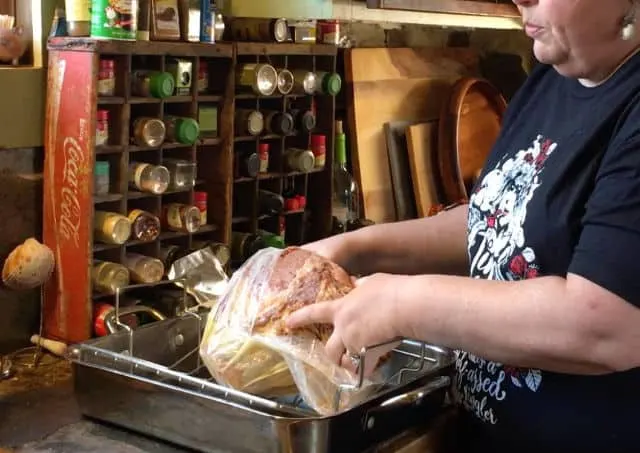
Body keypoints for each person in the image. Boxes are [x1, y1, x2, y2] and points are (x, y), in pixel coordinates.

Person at [285, 0, 640, 451]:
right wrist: (354, 248)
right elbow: (500, 221)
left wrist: (401, 303)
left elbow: (606, 326)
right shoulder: (553, 77)